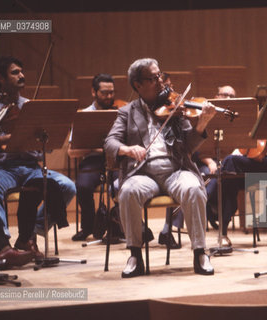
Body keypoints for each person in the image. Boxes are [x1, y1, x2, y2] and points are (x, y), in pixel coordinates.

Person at [104, 58, 216, 277]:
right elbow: (110, 142)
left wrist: (201, 124)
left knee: (193, 188)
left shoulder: (174, 107)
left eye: (159, 76)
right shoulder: (127, 112)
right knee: (127, 191)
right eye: (153, 78)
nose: (160, 82)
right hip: (143, 173)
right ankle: (135, 254)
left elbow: (188, 146)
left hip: (176, 170)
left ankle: (200, 253)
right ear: (137, 85)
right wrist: (127, 149)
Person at [0, 56, 76, 269]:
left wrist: (43, 136)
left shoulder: (31, 107)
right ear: (1, 79)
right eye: (15, 72)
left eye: (21, 72)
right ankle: (3, 243)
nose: (22, 76)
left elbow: (48, 146)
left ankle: (30, 234)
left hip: (32, 166)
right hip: (4, 168)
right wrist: (8, 137)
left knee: (67, 186)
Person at [206, 74, 267, 247]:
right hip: (254, 164)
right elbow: (247, 144)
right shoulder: (259, 110)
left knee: (230, 165)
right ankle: (222, 234)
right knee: (231, 179)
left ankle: (211, 202)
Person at [71, 73, 119, 241]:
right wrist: (96, 148)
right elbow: (71, 152)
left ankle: (120, 225)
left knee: (124, 185)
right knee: (83, 186)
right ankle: (88, 227)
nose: (109, 97)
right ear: (94, 92)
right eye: (105, 93)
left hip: (116, 161)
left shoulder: (120, 114)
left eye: (112, 92)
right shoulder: (83, 115)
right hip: (91, 161)